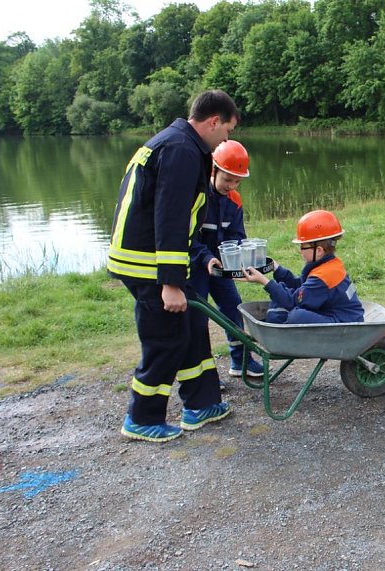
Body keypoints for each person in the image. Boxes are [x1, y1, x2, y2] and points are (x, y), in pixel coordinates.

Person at [107, 89, 239, 443]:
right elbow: (170, 219)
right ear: (214, 122)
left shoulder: (175, 142)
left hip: (154, 260)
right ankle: (142, 418)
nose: (226, 139)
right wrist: (170, 282)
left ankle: (202, 404)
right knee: (166, 338)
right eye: (227, 131)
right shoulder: (181, 150)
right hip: (147, 264)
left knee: (193, 324)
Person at [190, 140, 265, 380]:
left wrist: (242, 258)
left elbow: (236, 235)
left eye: (237, 181)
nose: (231, 185)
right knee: (198, 318)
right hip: (196, 267)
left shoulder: (235, 200)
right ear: (213, 171)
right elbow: (188, 237)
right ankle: (205, 375)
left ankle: (241, 362)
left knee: (233, 308)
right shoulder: (197, 197)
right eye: (227, 179)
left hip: (222, 267)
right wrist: (206, 258)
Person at [239, 210, 364, 324]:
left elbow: (293, 301)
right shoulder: (329, 265)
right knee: (281, 295)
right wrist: (276, 268)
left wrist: (264, 281)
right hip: (336, 315)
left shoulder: (324, 276)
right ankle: (279, 328)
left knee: (297, 316)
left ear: (319, 251)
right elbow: (302, 287)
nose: (300, 251)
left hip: (343, 324)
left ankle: (284, 333)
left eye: (303, 247)